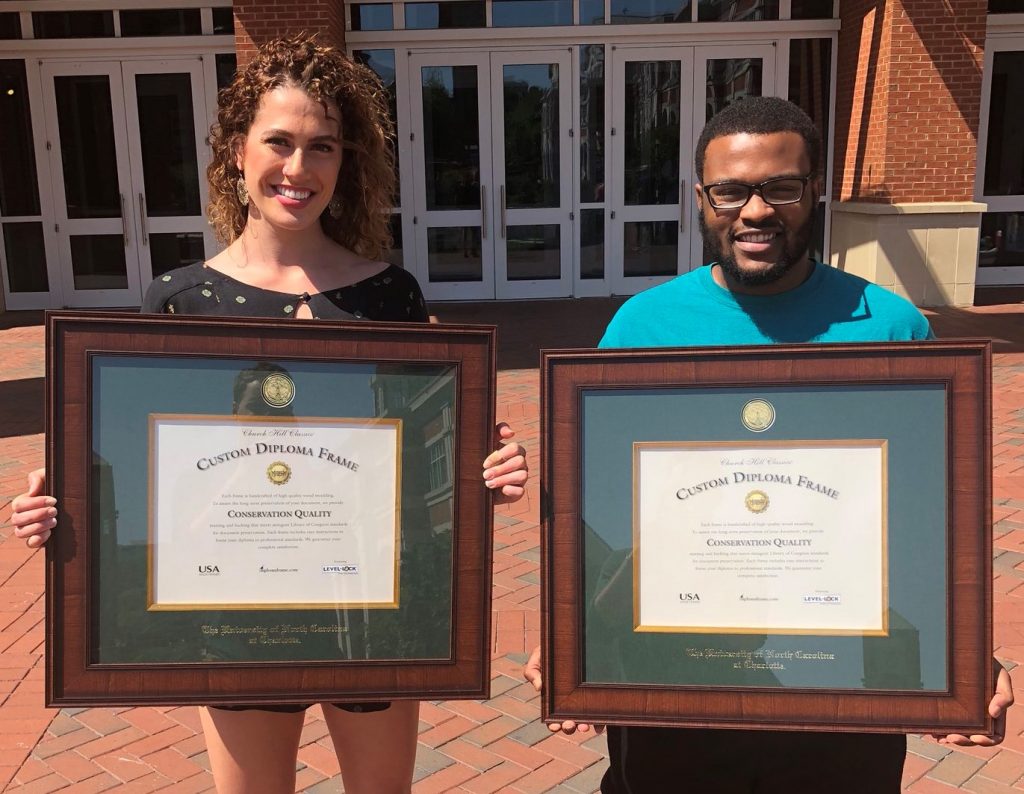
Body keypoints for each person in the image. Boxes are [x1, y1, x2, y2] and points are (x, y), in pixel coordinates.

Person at [10, 34, 527, 794]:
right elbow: (153, 469)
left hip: (374, 607)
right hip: (237, 609)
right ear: (234, 151)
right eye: (279, 142)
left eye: (322, 146)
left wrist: (491, 467)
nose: (299, 168)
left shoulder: (389, 297)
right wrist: (63, 507)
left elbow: (433, 438)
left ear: (346, 162)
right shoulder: (180, 303)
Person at [523, 96, 1013, 793]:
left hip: (840, 674)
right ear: (702, 198)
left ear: (815, 193)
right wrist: (574, 633)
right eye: (731, 191)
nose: (755, 211)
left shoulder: (889, 326)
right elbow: (598, 501)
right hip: (677, 668)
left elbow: (926, 509)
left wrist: (961, 647)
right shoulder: (644, 327)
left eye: (781, 187)